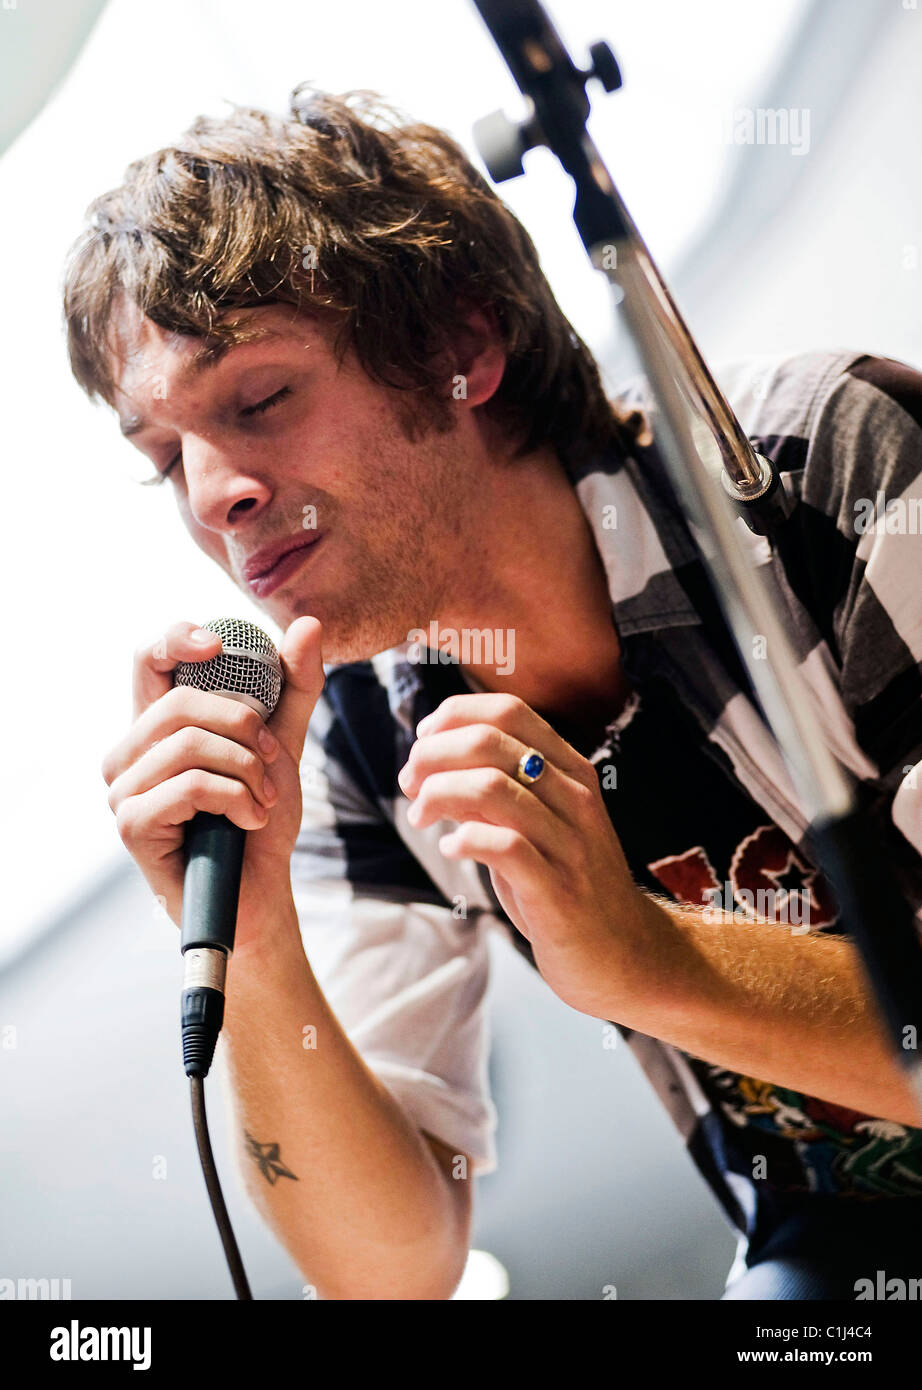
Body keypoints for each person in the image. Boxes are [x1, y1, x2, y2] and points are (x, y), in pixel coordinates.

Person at [69, 86, 922, 1300]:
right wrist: (257, 947)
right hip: (832, 1251)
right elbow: (391, 1268)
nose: (213, 494)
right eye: (164, 460)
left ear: (464, 347)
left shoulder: (826, 467)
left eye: (258, 401)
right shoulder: (361, 732)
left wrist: (650, 959)